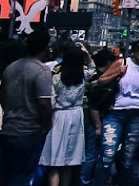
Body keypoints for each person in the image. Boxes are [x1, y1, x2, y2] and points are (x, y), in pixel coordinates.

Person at [0, 30, 54, 186]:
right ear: (45, 48)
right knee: (22, 175)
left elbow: (2, 97)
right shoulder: (42, 71)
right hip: (29, 131)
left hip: (9, 128)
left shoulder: (11, 68)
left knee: (6, 174)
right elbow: (44, 104)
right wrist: (46, 125)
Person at [98, 39, 139, 186]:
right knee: (107, 155)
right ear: (133, 49)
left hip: (136, 114)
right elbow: (101, 80)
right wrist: (117, 73)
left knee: (128, 158)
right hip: (115, 112)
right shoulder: (123, 63)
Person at [40, 44, 88, 186]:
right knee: (69, 161)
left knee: (55, 160)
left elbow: (52, 102)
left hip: (59, 117)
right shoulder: (83, 76)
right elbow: (93, 68)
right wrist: (86, 54)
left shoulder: (56, 78)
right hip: (76, 116)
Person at [83, 47, 123, 186]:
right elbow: (94, 106)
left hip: (97, 122)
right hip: (97, 123)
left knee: (97, 155)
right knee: (94, 155)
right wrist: (98, 127)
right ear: (108, 63)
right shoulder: (101, 81)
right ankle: (88, 181)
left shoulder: (94, 77)